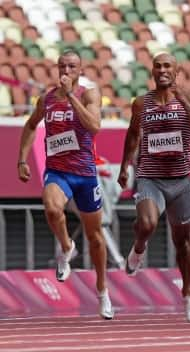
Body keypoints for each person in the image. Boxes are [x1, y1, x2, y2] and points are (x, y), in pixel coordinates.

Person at [17, 50, 113, 319]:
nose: (66, 70)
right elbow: (30, 125)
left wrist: (71, 96)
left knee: (95, 237)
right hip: (58, 172)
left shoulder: (89, 95)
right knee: (51, 207)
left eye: (72, 66)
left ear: (80, 70)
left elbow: (94, 127)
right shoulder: (46, 99)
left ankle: (103, 290)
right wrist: (21, 160)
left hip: (85, 175)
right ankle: (67, 246)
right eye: (62, 66)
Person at [117, 53, 190, 323]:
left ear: (176, 70)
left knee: (183, 242)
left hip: (180, 181)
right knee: (147, 223)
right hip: (150, 176)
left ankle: (188, 292)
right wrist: (125, 166)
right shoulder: (141, 103)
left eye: (167, 66)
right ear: (152, 72)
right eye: (157, 66)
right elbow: (133, 134)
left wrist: (182, 100)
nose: (162, 70)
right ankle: (139, 247)